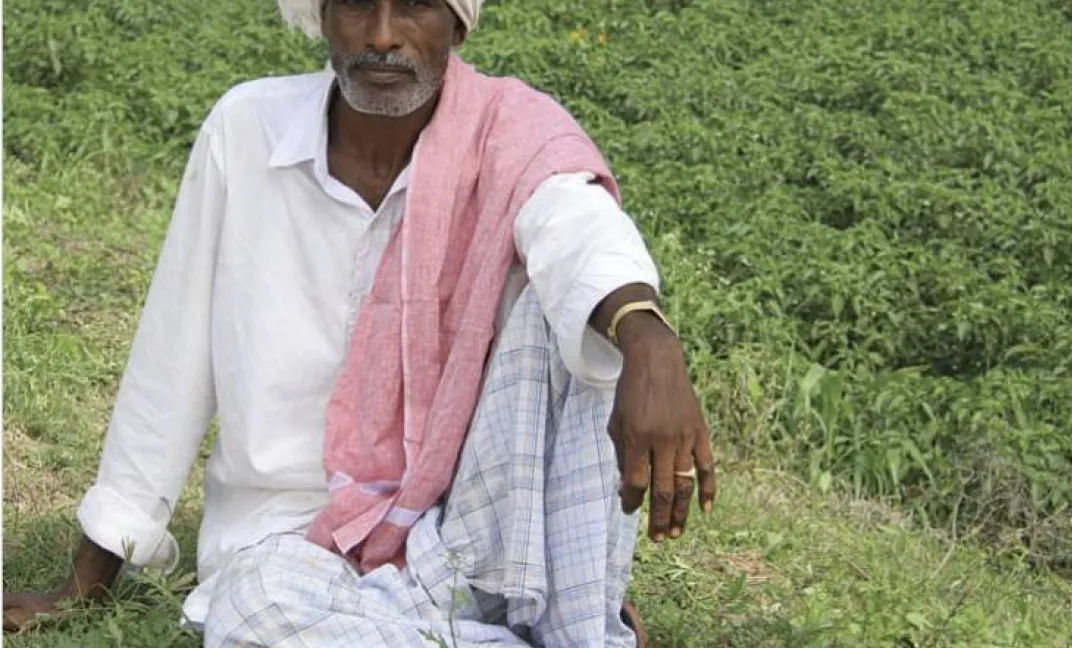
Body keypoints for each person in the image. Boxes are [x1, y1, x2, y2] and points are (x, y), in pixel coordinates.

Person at [3, 0, 717, 645]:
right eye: (355, 6)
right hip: (285, 544)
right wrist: (90, 577)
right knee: (255, 611)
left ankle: (562, 613)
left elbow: (577, 225)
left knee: (590, 319)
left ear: (458, 22)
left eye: (413, 7)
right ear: (319, 15)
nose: (381, 36)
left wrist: (649, 337)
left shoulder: (511, 136)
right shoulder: (246, 131)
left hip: (462, 532)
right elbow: (173, 354)